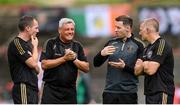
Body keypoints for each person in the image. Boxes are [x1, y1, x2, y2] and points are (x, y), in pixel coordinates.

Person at [93, 15, 144, 104]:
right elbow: (96, 64)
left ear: (128, 28)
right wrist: (101, 54)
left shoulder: (139, 45)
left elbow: (140, 71)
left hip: (128, 93)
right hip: (109, 92)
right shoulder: (111, 43)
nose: (115, 30)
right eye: (115, 27)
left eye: (118, 27)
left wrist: (125, 66)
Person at [40, 18, 89, 104]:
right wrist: (64, 58)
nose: (70, 32)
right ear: (60, 30)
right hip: (51, 90)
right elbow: (44, 65)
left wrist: (74, 59)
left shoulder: (77, 46)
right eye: (67, 29)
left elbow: (86, 68)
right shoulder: (50, 43)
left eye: (72, 29)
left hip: (70, 91)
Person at [134, 18, 175, 104]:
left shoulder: (161, 44)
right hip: (149, 93)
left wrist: (144, 64)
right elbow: (137, 71)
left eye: (141, 30)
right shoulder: (146, 48)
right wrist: (146, 64)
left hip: (162, 92)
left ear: (148, 30)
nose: (139, 33)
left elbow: (151, 70)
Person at [7, 15, 40, 104]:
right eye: (36, 28)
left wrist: (34, 63)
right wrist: (35, 46)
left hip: (32, 88)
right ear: (28, 28)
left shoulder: (27, 45)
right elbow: (33, 64)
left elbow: (37, 70)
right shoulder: (16, 43)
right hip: (23, 88)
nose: (38, 31)